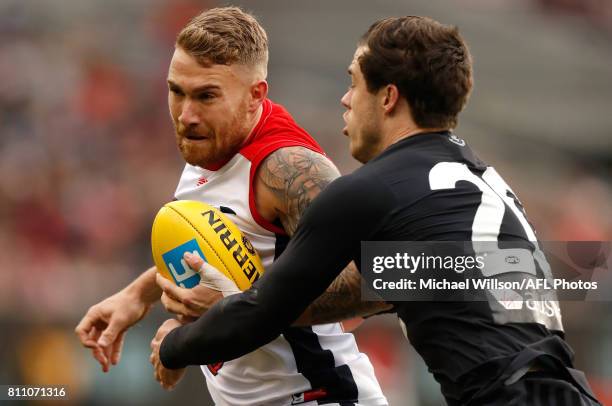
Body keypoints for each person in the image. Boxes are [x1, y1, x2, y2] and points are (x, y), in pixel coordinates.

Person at [153, 16, 602, 406]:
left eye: (352, 83)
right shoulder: (478, 180)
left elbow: (261, 313)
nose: (345, 100)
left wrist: (175, 346)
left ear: (387, 98)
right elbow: (478, 274)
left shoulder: (368, 192)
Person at [75, 7, 390, 406]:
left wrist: (229, 314)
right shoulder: (210, 142)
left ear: (256, 95)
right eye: (177, 91)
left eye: (206, 95)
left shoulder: (288, 168)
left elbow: (380, 279)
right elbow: (239, 249)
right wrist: (139, 293)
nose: (186, 115)